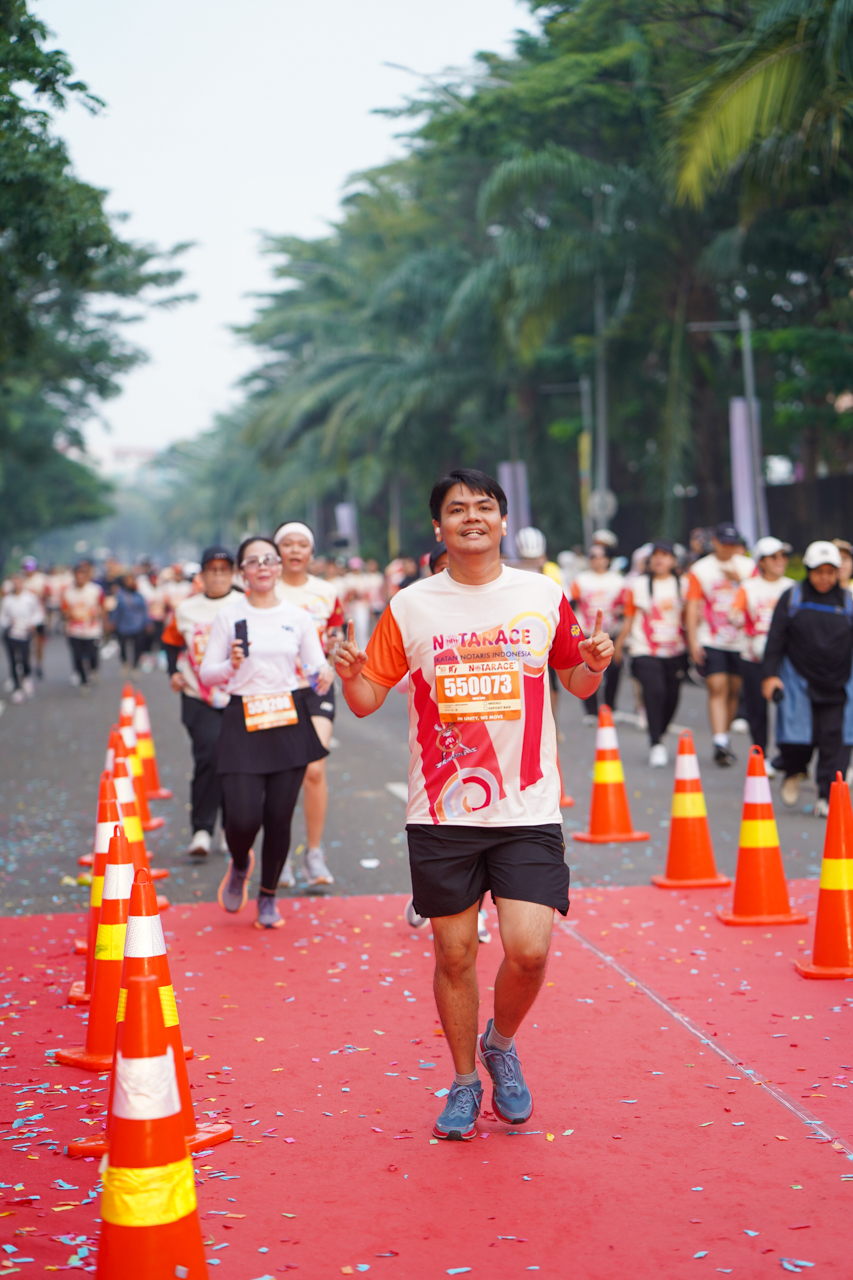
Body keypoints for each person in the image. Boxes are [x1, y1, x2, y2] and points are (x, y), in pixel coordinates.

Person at [334, 467, 613, 1141]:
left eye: (483, 507)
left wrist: (596, 661)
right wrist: (349, 676)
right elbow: (367, 700)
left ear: (502, 521)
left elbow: (576, 682)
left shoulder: (542, 595)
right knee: (455, 955)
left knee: (529, 950)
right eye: (456, 509)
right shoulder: (411, 606)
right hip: (442, 811)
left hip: (526, 807)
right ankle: (463, 1081)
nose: (471, 517)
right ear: (439, 527)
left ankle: (500, 1043)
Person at [200, 537, 333, 928]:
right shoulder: (229, 616)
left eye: (269, 560)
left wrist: (325, 673)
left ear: (278, 567)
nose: (262, 567)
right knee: (242, 819)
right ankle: (240, 862)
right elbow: (207, 674)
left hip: (287, 718)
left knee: (278, 816)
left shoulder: (297, 616)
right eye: (253, 561)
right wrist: (230, 664)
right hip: (242, 719)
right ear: (242, 571)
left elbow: (315, 669)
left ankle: (268, 896)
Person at [272, 521, 344, 888]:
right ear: (277, 551)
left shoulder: (327, 592)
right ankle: (279, 854)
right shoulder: (265, 589)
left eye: (302, 544)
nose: (295, 550)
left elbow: (336, 633)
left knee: (314, 768)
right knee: (282, 772)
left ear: (311, 552)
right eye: (288, 544)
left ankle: (314, 855)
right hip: (275, 690)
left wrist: (335, 647)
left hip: (316, 686)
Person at [161, 546, 243, 857]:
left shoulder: (245, 604)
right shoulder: (186, 609)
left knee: (235, 761)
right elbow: (170, 642)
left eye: (224, 570)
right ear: (202, 575)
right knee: (209, 755)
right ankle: (201, 830)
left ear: (233, 574)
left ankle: (230, 828)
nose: (218, 576)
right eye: (212, 570)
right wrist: (173, 672)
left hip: (237, 695)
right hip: (198, 695)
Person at [762, 540, 853, 817]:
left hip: (838, 683)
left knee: (834, 740)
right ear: (808, 571)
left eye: (830, 572)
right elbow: (776, 638)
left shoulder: (848, 601)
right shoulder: (793, 598)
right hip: (798, 681)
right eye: (818, 572)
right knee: (797, 738)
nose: (824, 578)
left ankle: (826, 795)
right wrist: (770, 676)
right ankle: (793, 770)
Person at [684, 522, 754, 766]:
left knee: (734, 690)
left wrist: (740, 580)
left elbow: (758, 595)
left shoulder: (748, 567)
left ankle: (725, 737)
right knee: (717, 686)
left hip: (740, 639)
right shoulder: (700, 569)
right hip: (711, 637)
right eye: (724, 543)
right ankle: (719, 740)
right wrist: (693, 641)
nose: (728, 548)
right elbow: (692, 606)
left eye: (733, 544)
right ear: (714, 542)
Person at [614, 539, 686, 767]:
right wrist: (618, 645)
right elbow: (629, 619)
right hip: (644, 649)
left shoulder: (684, 584)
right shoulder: (638, 585)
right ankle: (656, 743)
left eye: (665, 555)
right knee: (654, 691)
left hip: (675, 651)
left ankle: (659, 732)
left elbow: (692, 616)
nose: (659, 559)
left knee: (672, 697)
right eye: (655, 555)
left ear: (673, 560)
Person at [728, 537, 792, 764]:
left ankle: (787, 756)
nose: (780, 561)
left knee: (788, 708)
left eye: (783, 556)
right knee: (757, 710)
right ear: (761, 562)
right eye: (773, 557)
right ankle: (761, 755)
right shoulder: (749, 587)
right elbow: (734, 613)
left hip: (785, 659)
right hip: (754, 656)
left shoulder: (792, 587)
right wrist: (738, 618)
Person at [570, 543, 624, 723]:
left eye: (600, 556)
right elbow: (572, 606)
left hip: (611, 632)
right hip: (587, 633)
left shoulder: (618, 581)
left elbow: (625, 606)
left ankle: (610, 705)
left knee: (614, 670)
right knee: (588, 670)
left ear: (608, 559)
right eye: (592, 556)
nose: (596, 560)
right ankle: (591, 711)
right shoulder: (581, 579)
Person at [61, 561, 105, 691]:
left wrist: (102, 621)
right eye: (77, 575)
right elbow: (64, 610)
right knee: (78, 656)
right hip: (75, 630)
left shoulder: (95, 590)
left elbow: (102, 607)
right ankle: (84, 681)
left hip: (92, 630)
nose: (80, 578)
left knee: (92, 655)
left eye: (82, 575)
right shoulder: (68, 592)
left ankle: (93, 670)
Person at [0, 574, 41, 703]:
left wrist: (32, 623)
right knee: (13, 660)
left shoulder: (30, 598)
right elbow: (2, 616)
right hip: (11, 634)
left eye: (19, 582)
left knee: (24, 658)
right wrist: (7, 622)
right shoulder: (7, 599)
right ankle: (17, 688)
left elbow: (38, 613)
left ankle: (26, 677)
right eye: (15, 583)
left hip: (25, 633)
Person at [112, 573, 149, 672]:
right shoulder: (120, 595)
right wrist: (113, 621)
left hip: (138, 625)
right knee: (123, 646)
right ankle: (125, 662)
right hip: (123, 625)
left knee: (138, 646)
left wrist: (148, 622)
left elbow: (144, 610)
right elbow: (116, 610)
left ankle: (135, 665)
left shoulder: (139, 596)